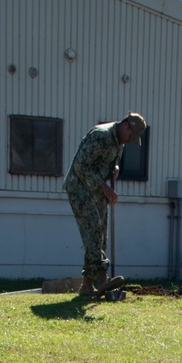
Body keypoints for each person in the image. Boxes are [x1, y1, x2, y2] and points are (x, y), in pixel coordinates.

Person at [64, 113, 147, 296]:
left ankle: (87, 285)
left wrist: (115, 168)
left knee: (100, 235)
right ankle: (102, 278)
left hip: (96, 191)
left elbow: (111, 161)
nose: (128, 141)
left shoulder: (119, 141)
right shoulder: (100, 135)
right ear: (125, 125)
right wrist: (105, 187)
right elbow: (81, 166)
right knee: (93, 229)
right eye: (130, 136)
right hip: (79, 187)